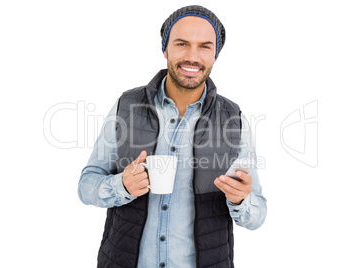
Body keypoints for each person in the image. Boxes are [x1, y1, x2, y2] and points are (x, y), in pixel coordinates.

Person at [78, 5, 267, 268]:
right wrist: (122, 186)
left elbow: (257, 215)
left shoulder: (233, 119)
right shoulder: (127, 106)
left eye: (204, 46)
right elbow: (86, 184)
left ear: (215, 55)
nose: (192, 56)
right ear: (165, 49)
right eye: (181, 44)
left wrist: (241, 199)